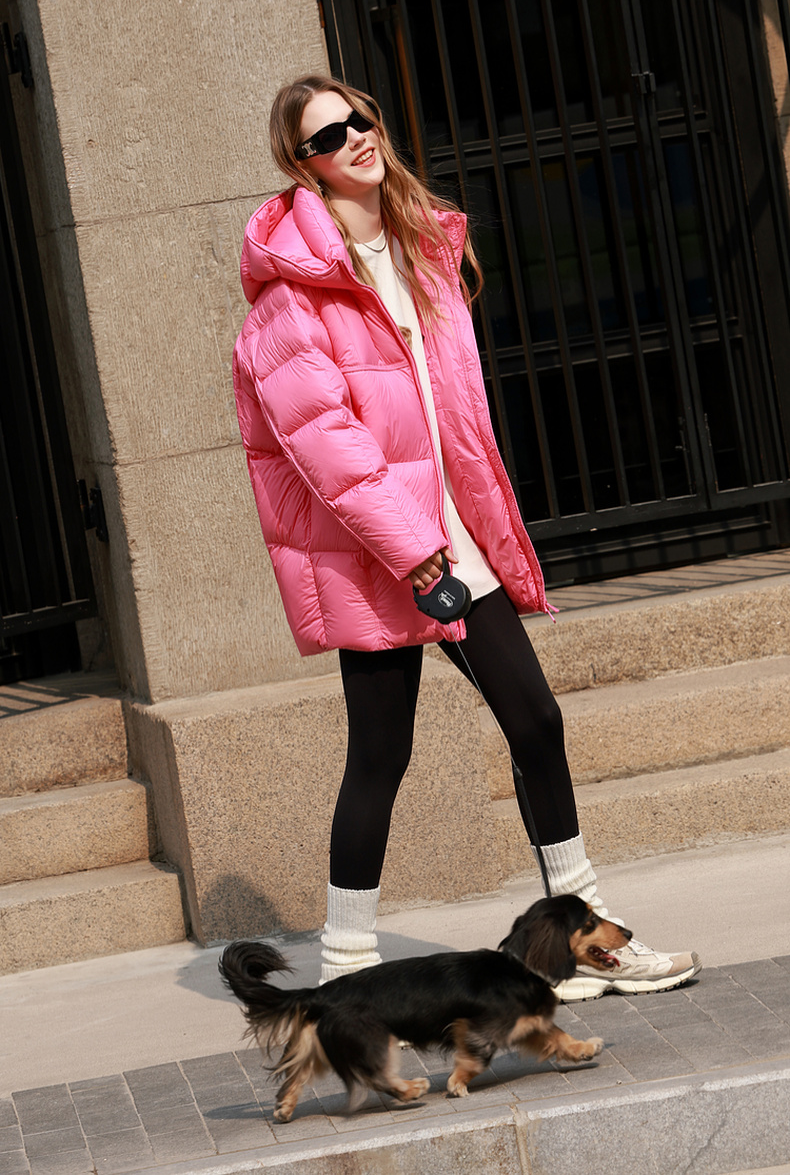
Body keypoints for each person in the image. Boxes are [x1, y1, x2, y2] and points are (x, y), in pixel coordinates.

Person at [232, 74, 701, 1001]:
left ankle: (574, 949)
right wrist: (416, 553)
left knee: (536, 721)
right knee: (381, 756)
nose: (356, 137)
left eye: (361, 118)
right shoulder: (289, 302)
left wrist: (464, 530)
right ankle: (345, 973)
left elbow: (452, 421)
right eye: (330, 136)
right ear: (302, 164)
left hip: (451, 545)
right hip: (379, 557)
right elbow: (332, 452)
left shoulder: (422, 251)